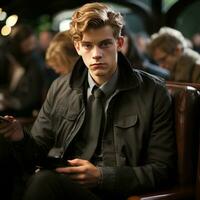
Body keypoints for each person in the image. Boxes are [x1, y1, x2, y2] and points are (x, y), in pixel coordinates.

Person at [0, 3, 176, 200]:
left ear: (119, 43)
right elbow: (37, 151)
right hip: (66, 184)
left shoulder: (154, 92)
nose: (96, 54)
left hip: (116, 193)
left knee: (43, 182)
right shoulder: (60, 87)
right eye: (87, 45)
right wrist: (19, 137)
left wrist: (103, 177)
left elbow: (162, 170)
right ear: (77, 47)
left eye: (105, 44)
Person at [0, 24, 45, 117]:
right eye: (27, 45)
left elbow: (31, 97)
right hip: (18, 107)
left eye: (32, 44)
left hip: (25, 112)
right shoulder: (14, 59)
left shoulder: (34, 62)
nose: (31, 48)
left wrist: (10, 102)